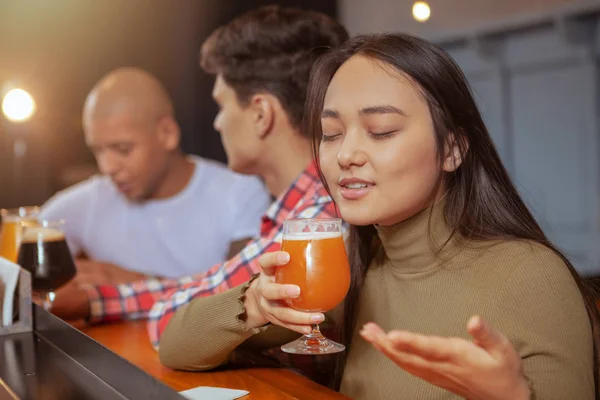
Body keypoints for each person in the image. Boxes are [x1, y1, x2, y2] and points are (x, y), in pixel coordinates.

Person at [157, 34, 599, 399]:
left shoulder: (532, 277)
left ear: (452, 148)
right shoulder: (348, 267)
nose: (345, 154)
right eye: (330, 134)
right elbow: (176, 348)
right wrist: (252, 305)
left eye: (381, 131)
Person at [48, 6, 349, 342]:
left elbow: (203, 306)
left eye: (222, 106)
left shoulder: (314, 217)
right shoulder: (299, 206)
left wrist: (102, 295)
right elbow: (215, 287)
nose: (217, 122)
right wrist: (98, 297)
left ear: (261, 114)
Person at [40, 68, 270, 283]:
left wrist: (128, 283)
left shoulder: (239, 193)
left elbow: (239, 294)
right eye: (97, 151)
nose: (107, 167)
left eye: (123, 149)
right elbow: (12, 261)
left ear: (167, 133)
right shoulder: (89, 202)